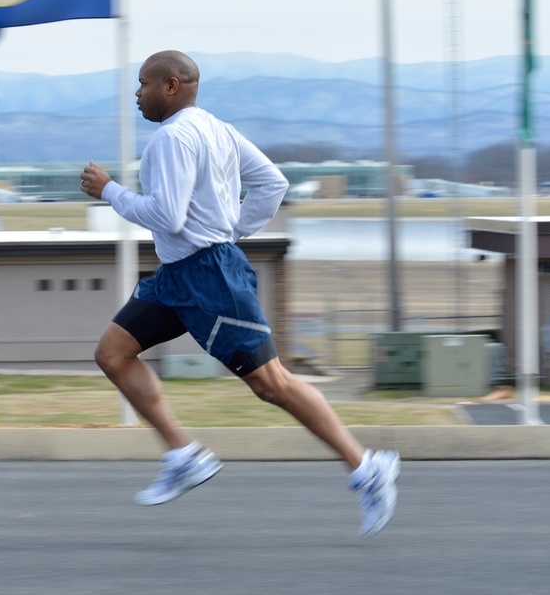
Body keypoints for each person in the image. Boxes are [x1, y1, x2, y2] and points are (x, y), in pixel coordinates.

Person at [79, 50, 399, 538]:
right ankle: (183, 455)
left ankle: (366, 466)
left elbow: (168, 217)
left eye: (142, 84)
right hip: (179, 276)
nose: (136, 96)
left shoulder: (171, 138)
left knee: (273, 384)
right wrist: (231, 231)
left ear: (170, 86)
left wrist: (109, 191)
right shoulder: (217, 129)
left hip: (208, 278)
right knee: (113, 353)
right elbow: (273, 183)